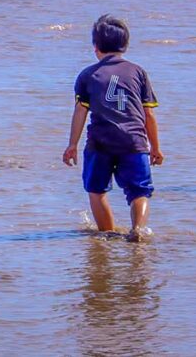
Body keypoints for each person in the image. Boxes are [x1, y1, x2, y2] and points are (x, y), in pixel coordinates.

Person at [62, 15, 163, 242]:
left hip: (101, 142)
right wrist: (155, 147)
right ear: (125, 45)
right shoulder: (138, 72)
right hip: (134, 141)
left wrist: (72, 145)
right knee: (140, 192)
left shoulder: (88, 75)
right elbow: (148, 114)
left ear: (95, 46)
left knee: (97, 191)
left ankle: (108, 235)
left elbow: (80, 111)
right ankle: (137, 231)